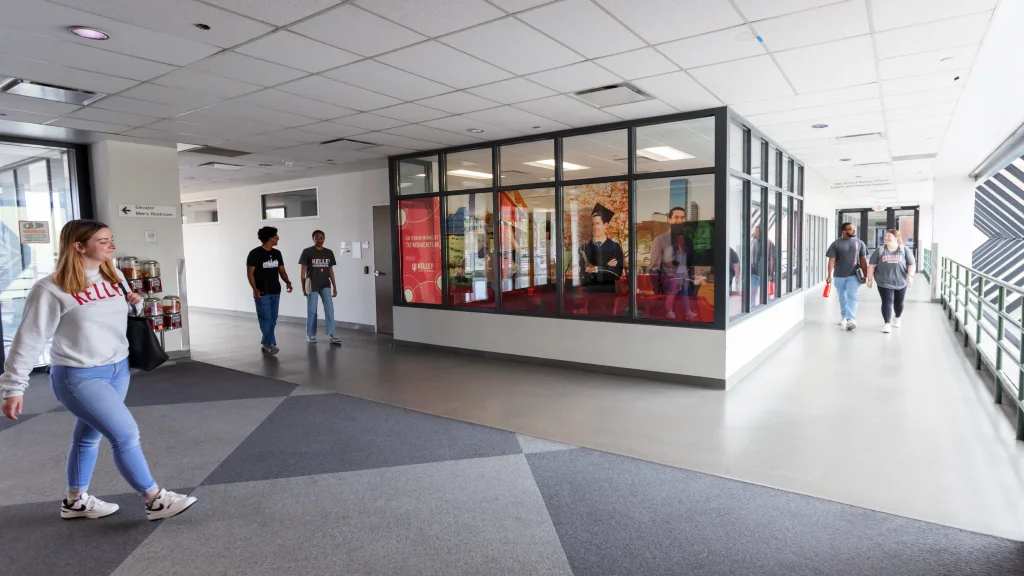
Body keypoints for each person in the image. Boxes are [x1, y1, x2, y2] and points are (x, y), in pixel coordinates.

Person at [0, 220, 197, 520]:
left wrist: (135, 301)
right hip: (78, 375)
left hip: (118, 369)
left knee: (88, 437)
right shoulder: (50, 289)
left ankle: (75, 501)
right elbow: (28, 339)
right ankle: (155, 499)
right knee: (126, 433)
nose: (112, 246)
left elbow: (121, 315)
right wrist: (13, 387)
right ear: (78, 246)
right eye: (104, 241)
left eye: (111, 239)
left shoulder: (114, 274)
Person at [247, 226, 293, 355]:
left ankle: (265, 343)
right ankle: (271, 345)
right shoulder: (255, 254)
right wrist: (255, 290)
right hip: (261, 292)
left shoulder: (277, 253)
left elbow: (282, 271)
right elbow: (250, 274)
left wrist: (288, 282)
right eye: (276, 236)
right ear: (270, 238)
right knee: (265, 318)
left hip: (275, 291)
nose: (278, 237)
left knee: (272, 319)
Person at [650, 207, 699, 320]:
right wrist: (659, 293)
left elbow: (690, 265)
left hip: (685, 285)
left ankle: (688, 312)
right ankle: (669, 311)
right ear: (669, 220)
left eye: (682, 217)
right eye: (676, 217)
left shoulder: (689, 241)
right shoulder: (660, 241)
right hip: (668, 287)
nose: (679, 220)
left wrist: (692, 284)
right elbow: (654, 268)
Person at [578, 203, 624, 315]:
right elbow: (583, 277)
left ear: (606, 225)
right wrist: (606, 267)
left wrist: (595, 269)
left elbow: (617, 274)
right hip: (589, 296)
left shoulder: (614, 247)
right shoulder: (584, 248)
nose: (594, 227)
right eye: (592, 224)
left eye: (597, 223)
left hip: (607, 295)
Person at [867, 229, 916, 333]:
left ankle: (897, 317)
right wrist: (870, 280)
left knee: (899, 302)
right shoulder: (880, 250)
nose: (886, 238)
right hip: (883, 281)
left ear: (896, 238)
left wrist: (910, 276)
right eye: (885, 236)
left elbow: (911, 264)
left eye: (889, 236)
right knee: (887, 301)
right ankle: (887, 323)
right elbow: (871, 266)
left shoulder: (904, 249)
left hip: (901, 281)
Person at [299, 230, 341, 345]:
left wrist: (334, 286)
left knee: (329, 309)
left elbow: (330, 270)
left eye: (322, 237)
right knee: (312, 311)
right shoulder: (307, 252)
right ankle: (310, 335)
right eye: (317, 237)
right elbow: (302, 272)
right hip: (312, 285)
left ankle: (332, 334)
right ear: (313, 238)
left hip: (325, 284)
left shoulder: (329, 252)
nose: (320, 240)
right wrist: (303, 288)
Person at [826, 222, 868, 330]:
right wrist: (829, 275)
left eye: (854, 229)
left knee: (852, 296)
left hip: (854, 275)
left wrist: (865, 275)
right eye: (850, 229)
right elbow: (831, 260)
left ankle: (851, 319)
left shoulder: (859, 243)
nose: (854, 231)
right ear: (844, 231)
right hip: (839, 276)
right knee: (842, 297)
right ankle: (844, 316)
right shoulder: (836, 244)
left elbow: (863, 259)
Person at [750, 225, 775, 308]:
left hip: (764, 272)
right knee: (752, 293)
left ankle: (767, 308)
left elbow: (771, 260)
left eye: (757, 231)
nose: (755, 233)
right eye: (755, 231)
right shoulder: (754, 242)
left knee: (765, 293)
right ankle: (752, 309)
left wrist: (771, 274)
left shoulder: (770, 244)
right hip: (754, 272)